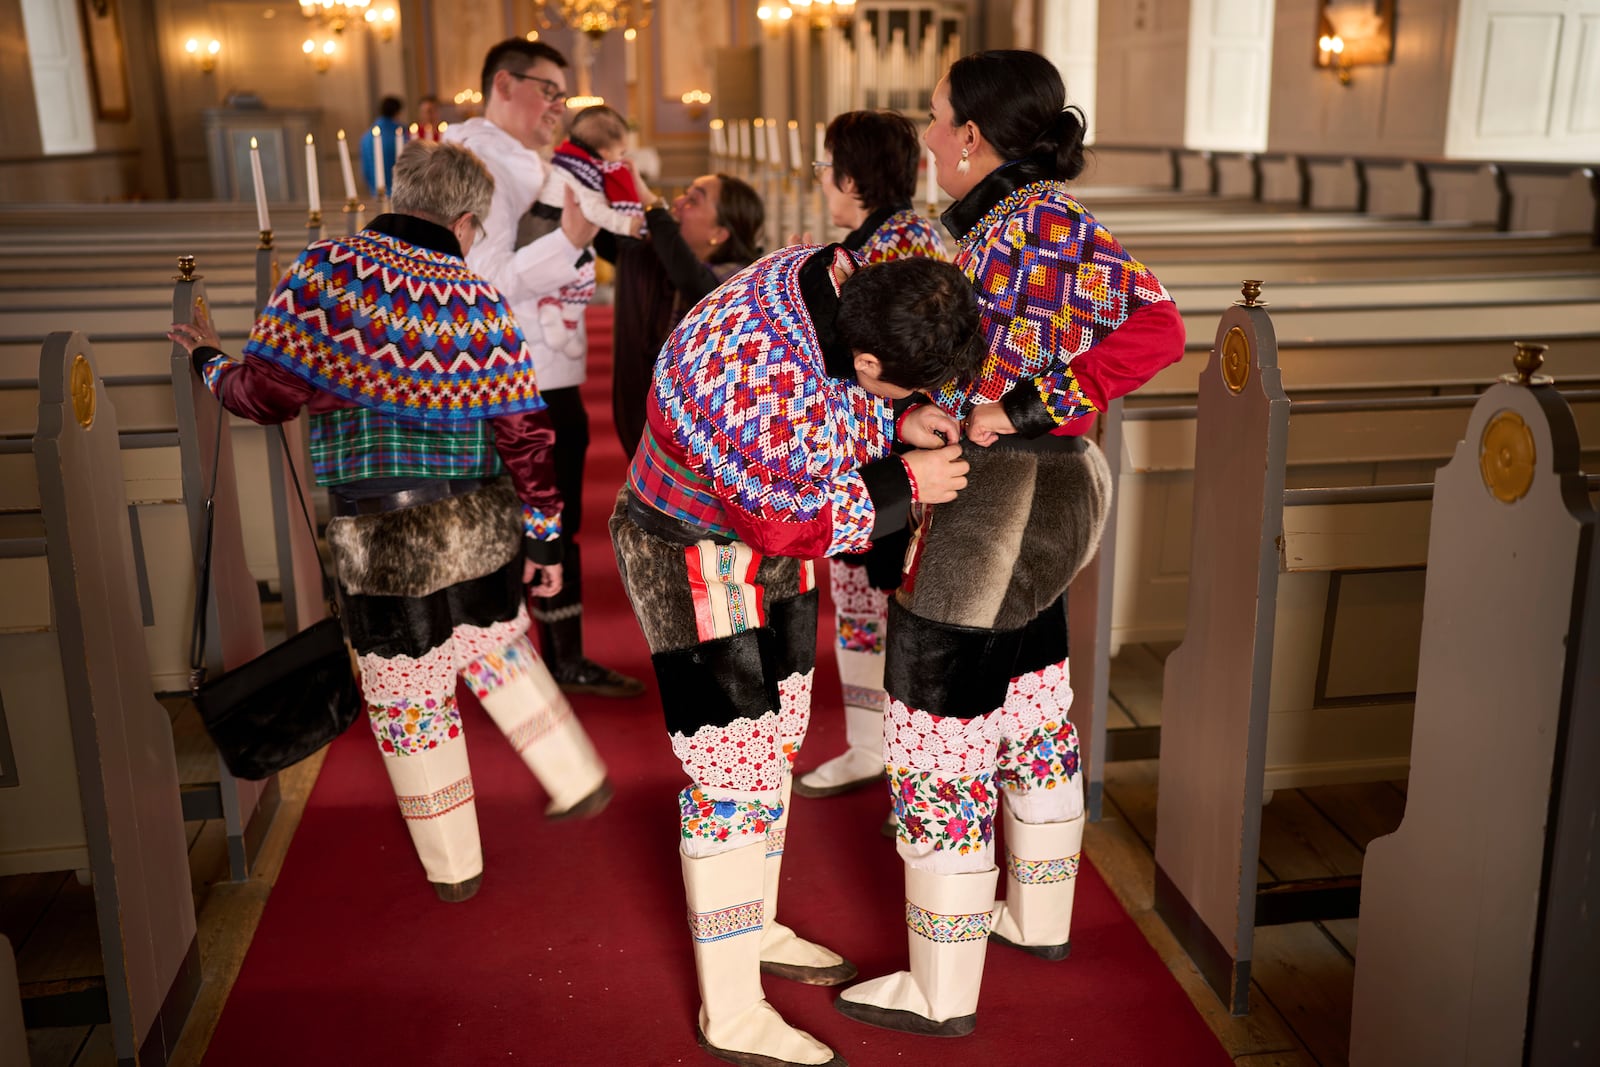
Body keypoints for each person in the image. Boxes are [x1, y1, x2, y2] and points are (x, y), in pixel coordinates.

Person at [834, 49, 1186, 1037]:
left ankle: (940, 989)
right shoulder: (1019, 218)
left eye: (935, 114)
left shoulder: (1026, 220)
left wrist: (1018, 407)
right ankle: (1035, 915)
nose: (928, 130)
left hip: (1002, 498)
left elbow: (1159, 331)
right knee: (1031, 699)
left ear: (971, 136)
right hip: (1049, 489)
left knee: (939, 719)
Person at [167, 140, 613, 904]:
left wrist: (209, 360)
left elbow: (264, 397)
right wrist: (544, 536)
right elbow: (525, 434)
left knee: (409, 692)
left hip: (379, 532)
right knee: (497, 648)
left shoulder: (322, 273)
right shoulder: (476, 298)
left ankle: (454, 863)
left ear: (399, 192)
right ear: (466, 219)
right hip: (476, 520)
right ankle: (577, 774)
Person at [609, 247, 986, 1067]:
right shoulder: (754, 362)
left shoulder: (848, 281)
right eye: (892, 383)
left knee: (775, 744)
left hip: (763, 535)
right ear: (865, 360)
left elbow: (831, 423)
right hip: (690, 547)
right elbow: (782, 520)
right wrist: (907, 483)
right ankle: (731, 1009)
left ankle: (754, 920)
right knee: (730, 771)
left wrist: (900, 417)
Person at [444, 38, 644, 698]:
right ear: (504, 84)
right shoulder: (477, 161)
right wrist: (569, 241)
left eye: (563, 93)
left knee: (557, 521)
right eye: (549, 90)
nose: (560, 105)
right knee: (518, 523)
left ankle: (561, 659)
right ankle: (510, 672)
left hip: (549, 369)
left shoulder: (524, 158)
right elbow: (480, 279)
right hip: (515, 376)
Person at [793, 109, 949, 807]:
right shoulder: (891, 235)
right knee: (862, 607)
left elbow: (897, 360)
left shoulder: (895, 243)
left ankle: (900, 762)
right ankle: (870, 745)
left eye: (828, 167)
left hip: (897, 453)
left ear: (852, 176)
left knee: (889, 608)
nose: (824, 180)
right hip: (884, 449)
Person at [596, 170, 764, 457]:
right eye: (685, 193)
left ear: (719, 234)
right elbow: (609, 243)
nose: (678, 202)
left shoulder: (742, 284)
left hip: (708, 441)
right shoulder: (663, 261)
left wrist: (652, 206)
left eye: (693, 201)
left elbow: (695, 283)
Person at [536, 104, 646, 239]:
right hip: (551, 228)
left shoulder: (571, 163)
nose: (622, 159)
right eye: (621, 153)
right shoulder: (583, 175)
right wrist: (627, 225)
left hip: (552, 223)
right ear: (604, 152)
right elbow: (594, 210)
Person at [360, 95, 406, 195]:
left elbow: (365, 171)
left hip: (376, 192)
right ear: (398, 113)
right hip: (400, 193)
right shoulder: (401, 135)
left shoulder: (367, 137)